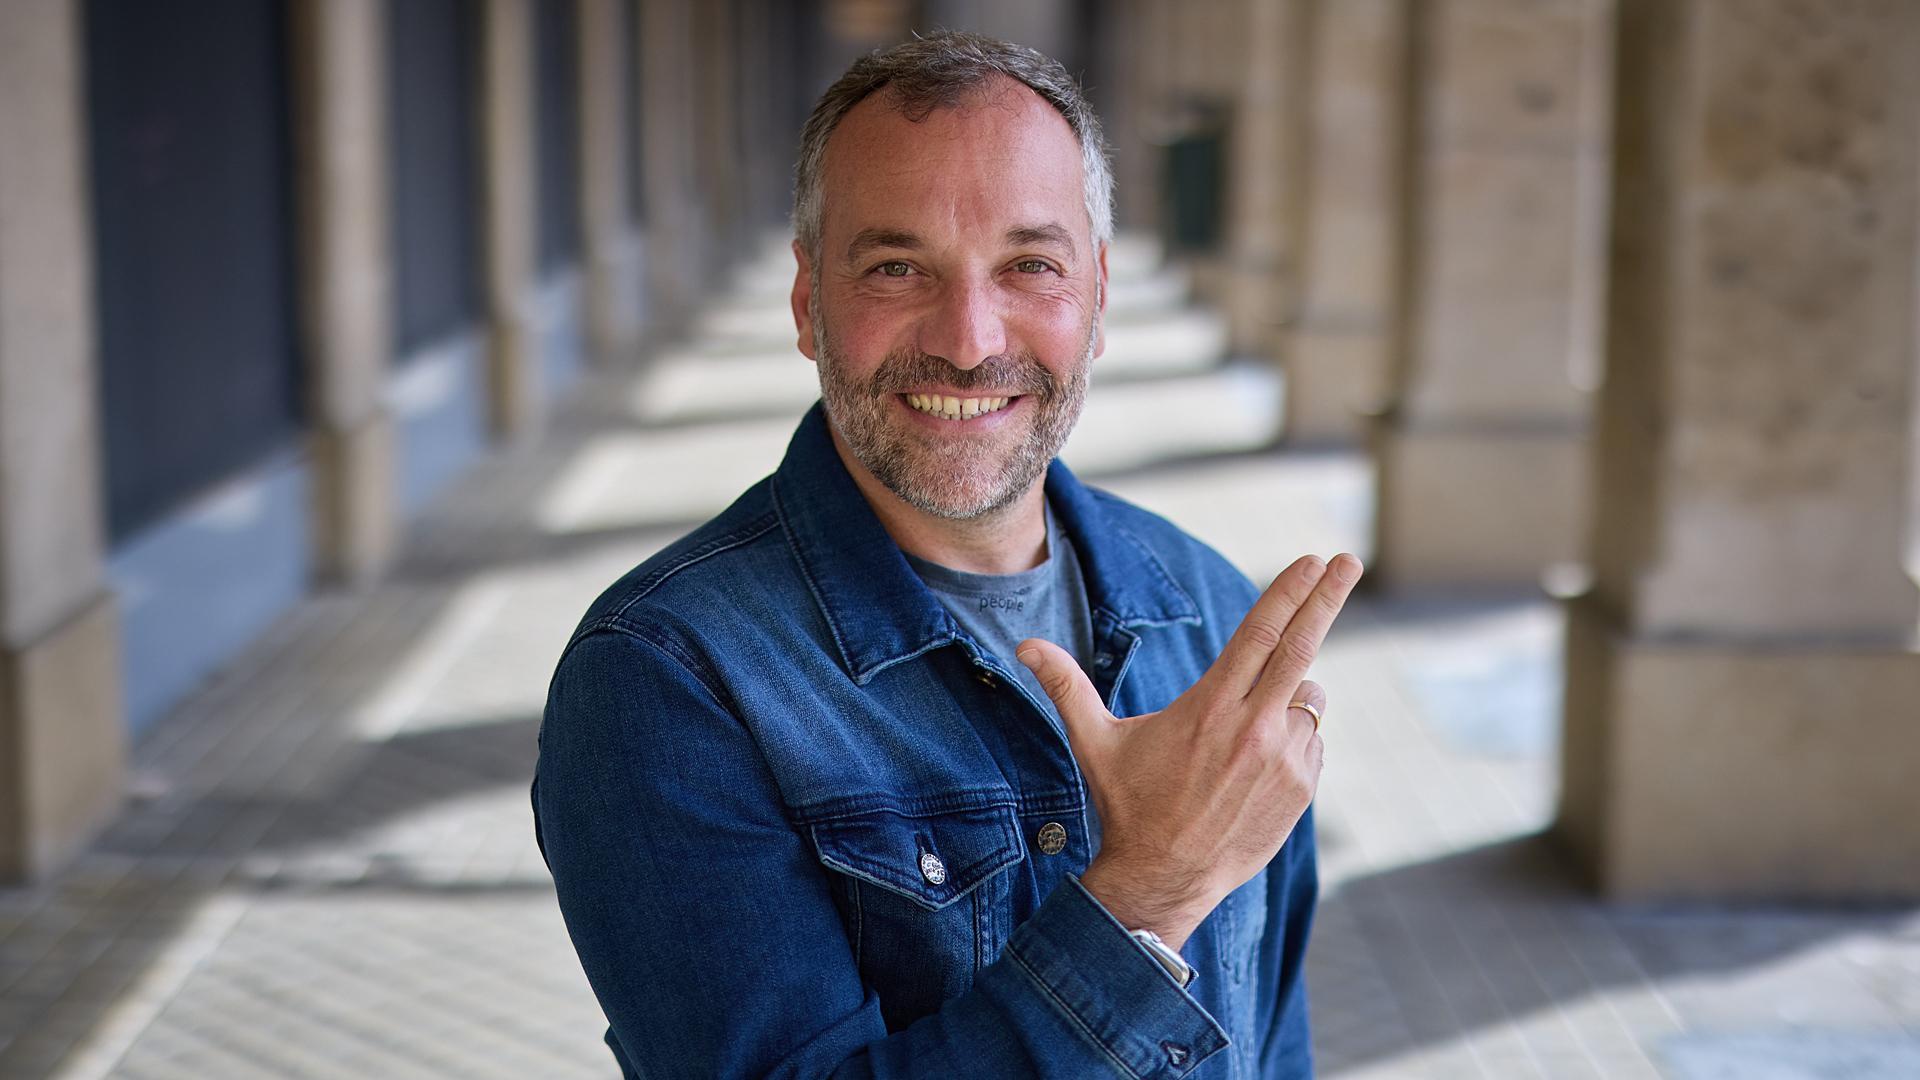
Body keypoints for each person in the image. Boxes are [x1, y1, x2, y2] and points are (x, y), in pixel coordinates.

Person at [533, 30, 1361, 1079]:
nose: (969, 340)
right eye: (895, 266)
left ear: (1098, 297)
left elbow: (1274, 1047)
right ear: (805, 302)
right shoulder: (666, 679)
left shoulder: (1206, 607)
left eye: (1029, 265)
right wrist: (1148, 896)